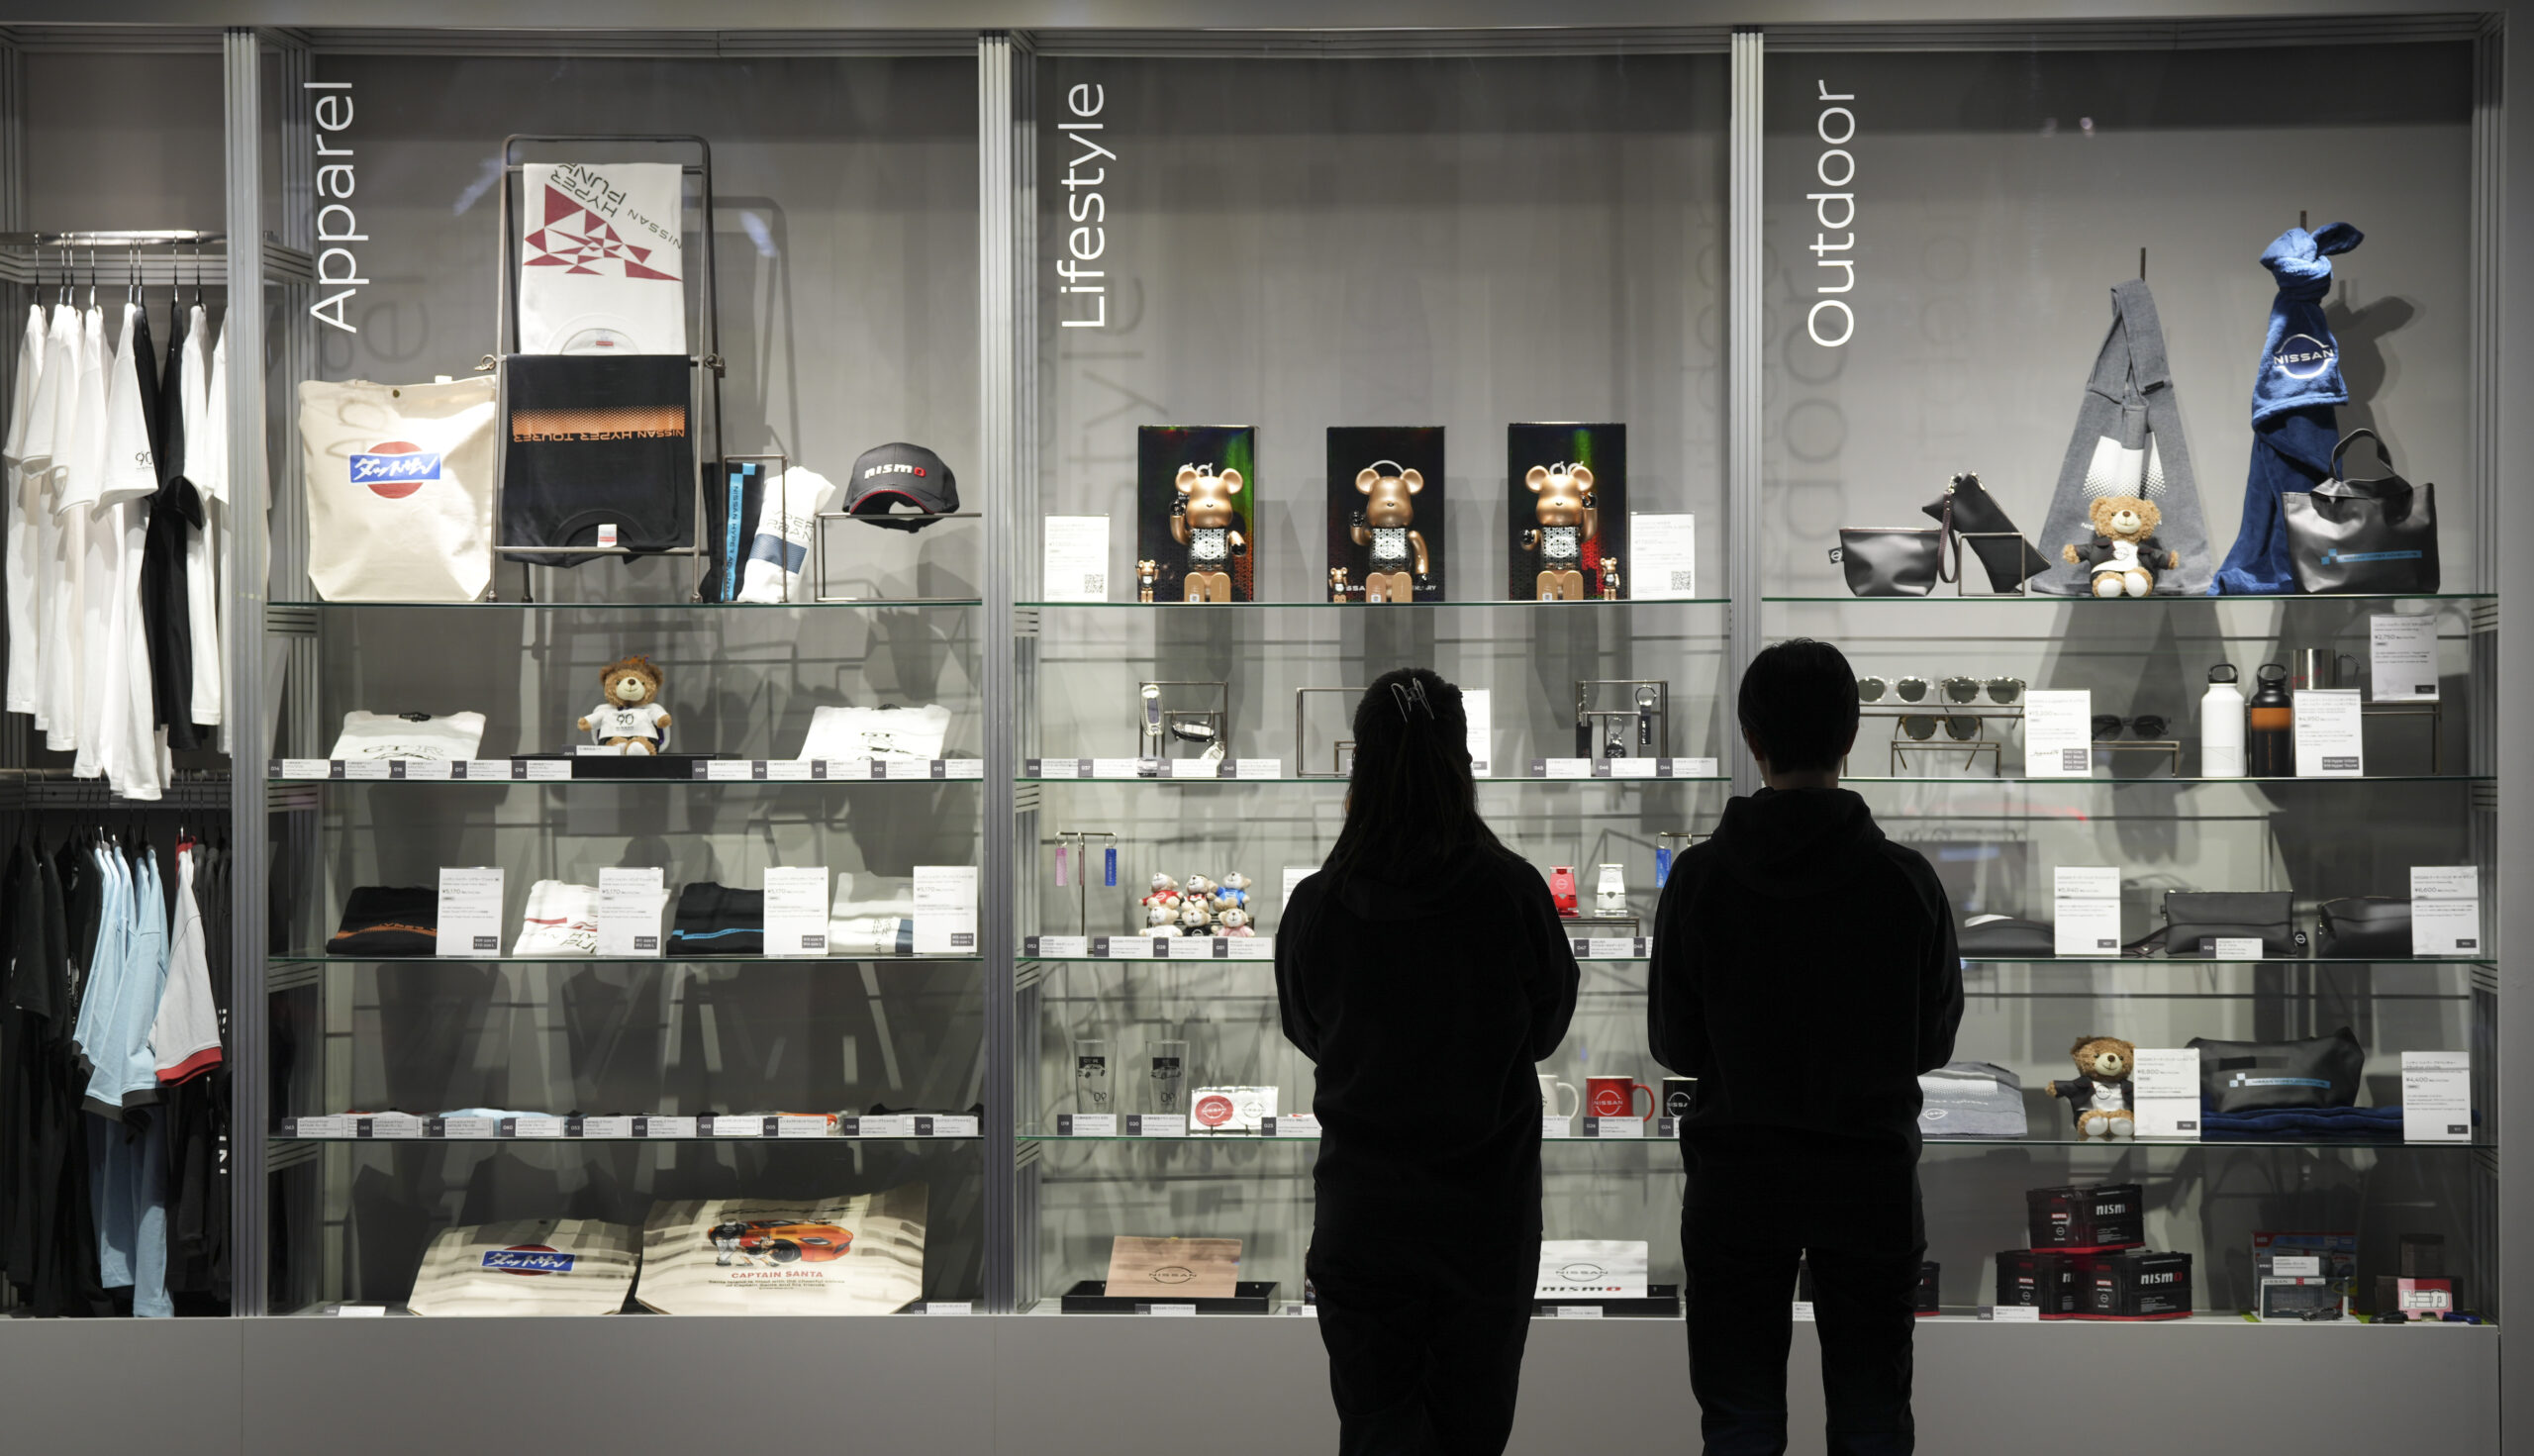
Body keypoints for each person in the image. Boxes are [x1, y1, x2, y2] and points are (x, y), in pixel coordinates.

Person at [1648, 638, 1963, 1456]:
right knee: (1872, 1416)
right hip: (1869, 1177)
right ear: (1850, 736)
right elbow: (1932, 1041)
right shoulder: (1905, 880)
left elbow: (1674, 1042)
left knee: (1740, 1418)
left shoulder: (1699, 879)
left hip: (1736, 1178)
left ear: (1752, 738)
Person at [1277, 666, 1581, 1456]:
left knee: (1374, 1432)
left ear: (1360, 766)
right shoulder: (1512, 891)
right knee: (1472, 1434)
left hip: (1363, 1218)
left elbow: (1309, 1030)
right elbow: (1546, 1026)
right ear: (1462, 760)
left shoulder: (1317, 904)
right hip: (1485, 1220)